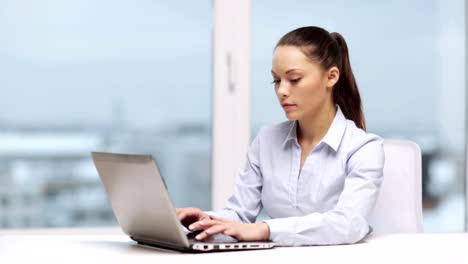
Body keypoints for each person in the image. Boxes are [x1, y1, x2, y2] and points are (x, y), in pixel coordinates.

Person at [176, 26, 385, 246]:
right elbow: (239, 214)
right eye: (276, 80)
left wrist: (265, 229)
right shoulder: (267, 140)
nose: (282, 91)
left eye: (294, 79)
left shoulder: (363, 148)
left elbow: (347, 224)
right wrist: (206, 221)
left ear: (331, 77)